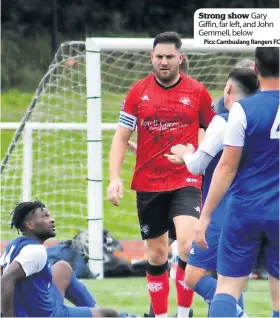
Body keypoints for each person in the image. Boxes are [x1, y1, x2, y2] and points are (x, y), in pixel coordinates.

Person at [107, 31, 215, 318]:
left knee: (188, 245)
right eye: (159, 57)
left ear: (181, 58)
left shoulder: (198, 92)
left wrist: (194, 153)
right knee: (155, 255)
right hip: (148, 183)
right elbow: (120, 137)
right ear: (151, 58)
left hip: (186, 180)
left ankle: (183, 314)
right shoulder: (136, 92)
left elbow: (213, 132)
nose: (164, 62)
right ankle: (161, 315)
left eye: (169, 57)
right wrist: (114, 178)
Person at [167, 67, 260, 317]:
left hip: (223, 208)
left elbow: (198, 164)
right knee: (228, 280)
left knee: (194, 275)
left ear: (228, 89)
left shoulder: (226, 119)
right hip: (252, 208)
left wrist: (186, 153)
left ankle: (240, 315)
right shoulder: (261, 116)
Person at [195, 47, 279, 317]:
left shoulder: (242, 109)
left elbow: (227, 166)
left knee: (227, 287)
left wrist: (206, 214)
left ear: (255, 69)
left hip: (245, 210)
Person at [0, 200, 119, 317]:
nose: (52, 220)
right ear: (30, 224)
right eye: (45, 216)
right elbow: (6, 278)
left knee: (62, 268)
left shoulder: (14, 244)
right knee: (109, 314)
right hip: (47, 314)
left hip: (39, 305)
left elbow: (2, 272)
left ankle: (93, 311)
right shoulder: (36, 251)